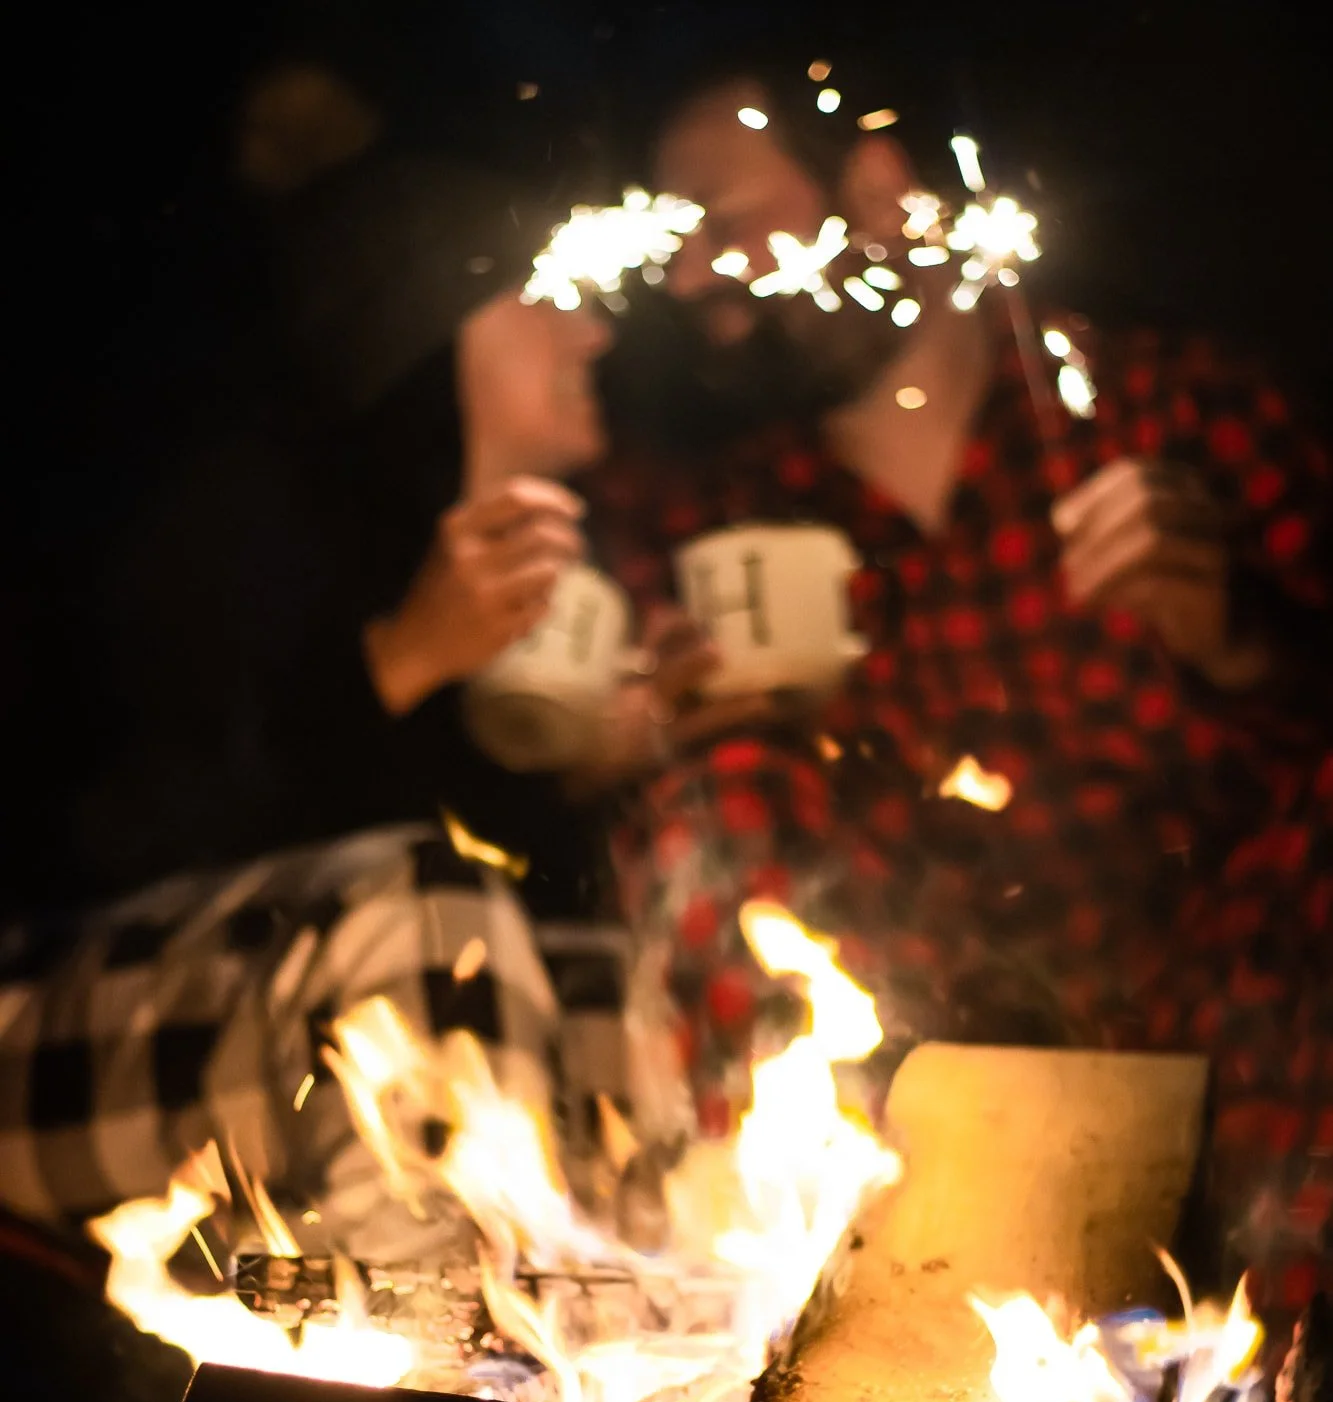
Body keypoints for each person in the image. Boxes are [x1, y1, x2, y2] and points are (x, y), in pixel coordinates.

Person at [587, 66, 1330, 1309]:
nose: (689, 276)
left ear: (880, 195)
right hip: (922, 1039)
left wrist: (1237, 636)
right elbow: (534, 705)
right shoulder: (721, 521)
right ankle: (825, 1332)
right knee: (715, 797)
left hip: (1230, 985)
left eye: (721, 223)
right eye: (673, 240)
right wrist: (628, 725)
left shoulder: (1169, 412)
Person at [0, 139, 643, 1247]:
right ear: (424, 330)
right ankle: (460, 1394)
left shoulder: (556, 600)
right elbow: (108, 841)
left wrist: (607, 767)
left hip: (259, 1068)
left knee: (605, 989)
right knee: (434, 914)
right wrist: (394, 661)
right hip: (43, 1030)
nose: (597, 332)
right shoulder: (241, 525)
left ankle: (630, 1365)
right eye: (544, 296)